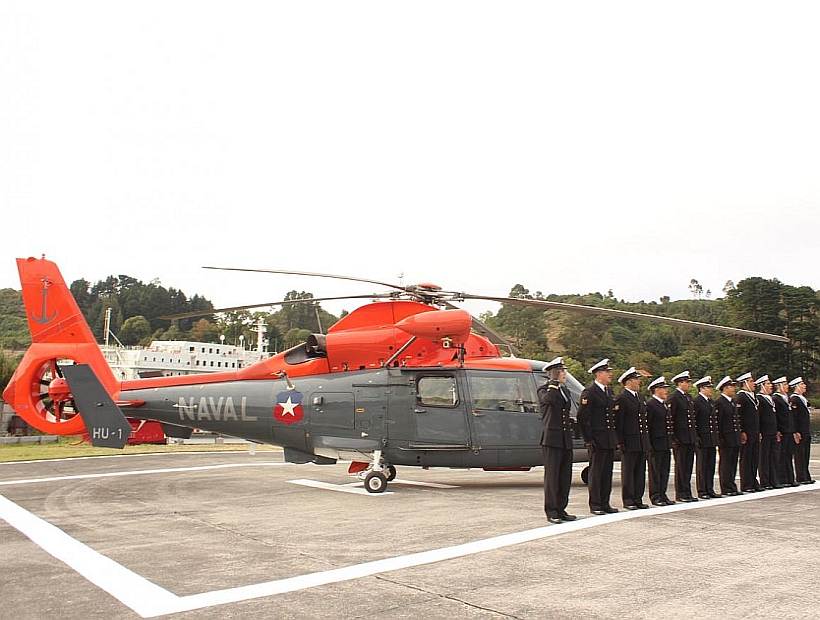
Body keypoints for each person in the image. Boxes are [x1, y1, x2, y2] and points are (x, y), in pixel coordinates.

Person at [577, 358, 619, 515]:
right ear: (599, 374)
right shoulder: (590, 392)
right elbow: (582, 417)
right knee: (596, 473)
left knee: (607, 472)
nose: (610, 374)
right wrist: (588, 439)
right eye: (607, 372)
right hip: (597, 439)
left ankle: (604, 502)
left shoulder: (608, 392)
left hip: (608, 439)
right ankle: (595, 504)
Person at [538, 357, 577, 523]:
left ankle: (561, 508)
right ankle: (552, 510)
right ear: (553, 373)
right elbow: (549, 400)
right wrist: (553, 383)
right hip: (552, 438)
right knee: (552, 477)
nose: (564, 374)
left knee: (564, 476)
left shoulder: (565, 391)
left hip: (565, 438)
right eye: (561, 371)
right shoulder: (544, 389)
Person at [614, 367, 651, 510]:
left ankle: (637, 498)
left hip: (641, 441)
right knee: (629, 472)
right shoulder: (622, 398)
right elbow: (619, 422)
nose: (639, 382)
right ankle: (628, 499)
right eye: (636, 379)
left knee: (640, 471)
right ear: (628, 382)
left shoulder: (640, 397)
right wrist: (620, 441)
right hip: (629, 441)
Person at [667, 371, 698, 502]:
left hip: (689, 437)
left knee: (688, 466)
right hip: (680, 438)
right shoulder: (674, 397)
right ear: (680, 383)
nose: (689, 384)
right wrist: (674, 438)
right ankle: (681, 493)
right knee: (681, 466)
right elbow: (671, 419)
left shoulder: (688, 397)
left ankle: (687, 492)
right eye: (687, 382)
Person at [646, 376, 675, 506]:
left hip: (665, 443)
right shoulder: (651, 405)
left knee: (664, 470)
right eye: (664, 389)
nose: (666, 391)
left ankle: (663, 494)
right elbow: (648, 426)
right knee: (655, 471)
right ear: (657, 390)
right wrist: (650, 444)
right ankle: (656, 496)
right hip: (656, 443)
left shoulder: (664, 405)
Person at [693, 376, 722, 499]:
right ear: (702, 389)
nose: (711, 390)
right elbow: (694, 421)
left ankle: (709, 488)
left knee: (710, 464)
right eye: (709, 387)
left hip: (711, 437)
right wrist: (697, 436)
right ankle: (702, 490)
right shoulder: (697, 402)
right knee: (702, 465)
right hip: (702, 438)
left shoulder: (711, 402)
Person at [715, 376, 742, 495]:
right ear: (725, 388)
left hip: (734, 437)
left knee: (733, 463)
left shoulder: (732, 402)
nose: (734, 389)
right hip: (726, 438)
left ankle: (731, 485)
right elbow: (719, 423)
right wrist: (720, 439)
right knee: (726, 463)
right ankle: (726, 487)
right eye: (731, 387)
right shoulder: (720, 403)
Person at [735, 372, 762, 492]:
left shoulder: (753, 396)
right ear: (745, 383)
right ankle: (746, 484)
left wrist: (758, 431)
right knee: (746, 458)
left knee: (754, 458)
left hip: (754, 431)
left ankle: (753, 481)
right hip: (747, 432)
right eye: (751, 381)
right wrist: (742, 431)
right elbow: (739, 416)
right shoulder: (741, 396)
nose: (753, 383)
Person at [755, 375, 781, 489]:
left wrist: (777, 430)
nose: (771, 386)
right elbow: (758, 417)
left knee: (773, 456)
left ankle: (774, 480)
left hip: (772, 431)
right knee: (764, 457)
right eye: (768, 384)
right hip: (764, 432)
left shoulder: (770, 398)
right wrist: (759, 431)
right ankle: (765, 481)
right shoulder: (759, 399)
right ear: (762, 386)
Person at [773, 376, 798, 487]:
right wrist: (778, 430)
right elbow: (776, 417)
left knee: (788, 455)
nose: (787, 386)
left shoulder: (787, 398)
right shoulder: (776, 398)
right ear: (779, 386)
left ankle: (790, 478)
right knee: (781, 455)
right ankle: (782, 478)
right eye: (785, 384)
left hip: (789, 430)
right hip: (782, 430)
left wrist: (794, 430)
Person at [789, 377, 815, 485]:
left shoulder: (802, 398)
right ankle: (801, 476)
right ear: (797, 386)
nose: (805, 386)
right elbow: (793, 417)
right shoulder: (794, 399)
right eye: (802, 384)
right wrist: (795, 431)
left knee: (806, 454)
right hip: (800, 431)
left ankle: (806, 475)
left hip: (805, 430)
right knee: (800, 455)